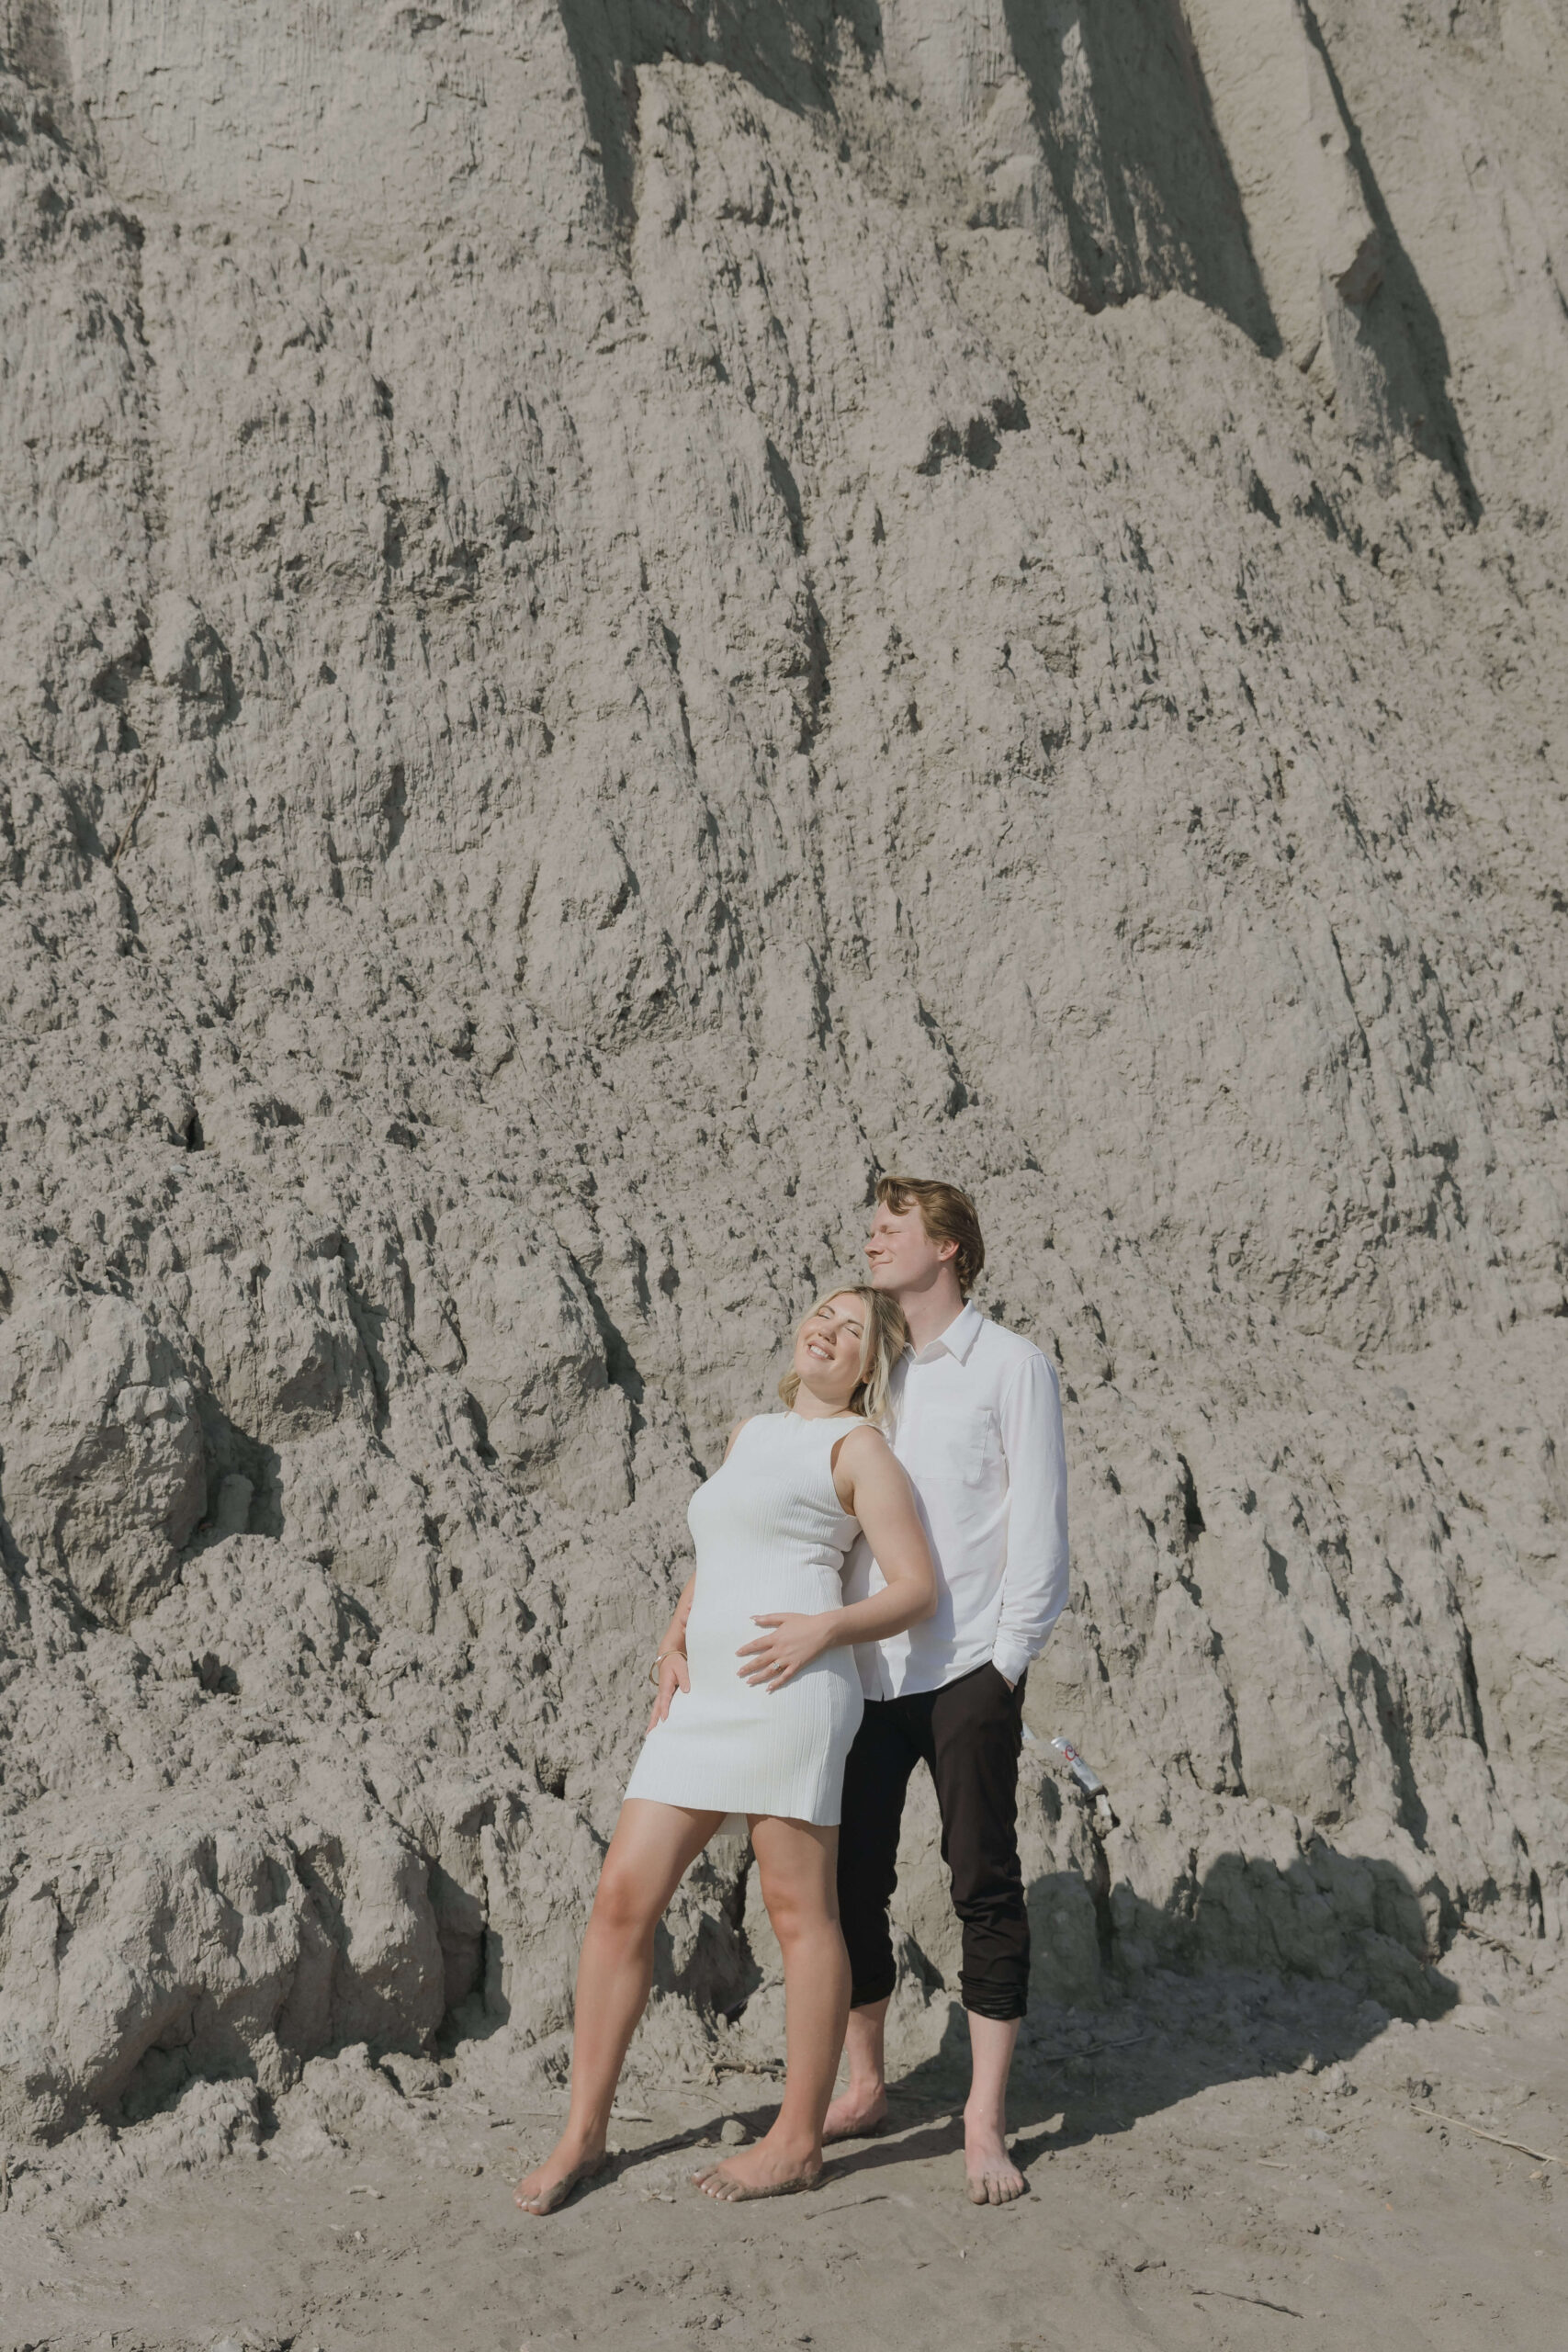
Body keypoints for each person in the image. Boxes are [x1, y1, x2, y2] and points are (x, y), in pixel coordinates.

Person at [514, 1283, 937, 2216]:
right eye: (823, 1314)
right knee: (623, 1897)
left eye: (854, 1329)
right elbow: (717, 1554)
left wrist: (825, 1631)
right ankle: (584, 2132)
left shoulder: (857, 1448)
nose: (828, 1330)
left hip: (792, 1694)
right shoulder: (752, 1433)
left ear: (872, 1365)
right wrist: (673, 1642)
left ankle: (797, 2141)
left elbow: (916, 1588)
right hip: (703, 1700)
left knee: (799, 1912)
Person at [824, 1177, 1069, 2204]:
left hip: (967, 1669)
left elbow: (1040, 1532)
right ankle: (869, 2077)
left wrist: (1001, 1666)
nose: (873, 1236)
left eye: (896, 1225)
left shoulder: (1014, 1365)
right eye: (872, 1224)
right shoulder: (878, 1373)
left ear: (951, 1248)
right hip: (873, 1674)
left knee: (983, 1885)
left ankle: (982, 2118)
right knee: (853, 1883)